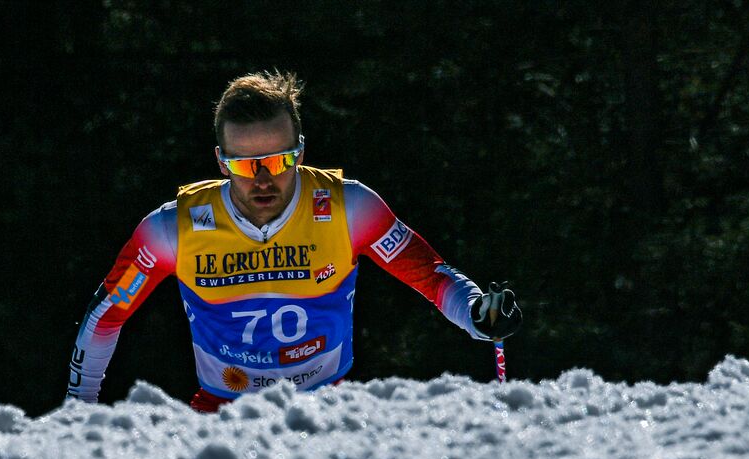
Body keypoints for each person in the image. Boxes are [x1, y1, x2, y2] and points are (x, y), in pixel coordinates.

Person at [66, 71, 523, 412]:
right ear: (221, 163)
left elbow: (433, 278)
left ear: (300, 152)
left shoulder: (348, 207)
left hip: (326, 413)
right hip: (221, 416)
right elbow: (105, 317)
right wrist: (78, 410)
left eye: (279, 161)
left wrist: (479, 314)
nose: (263, 180)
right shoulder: (174, 229)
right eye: (246, 166)